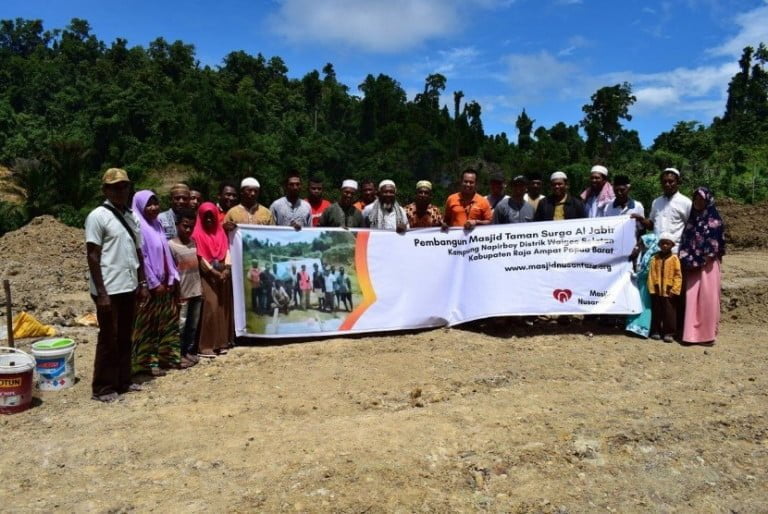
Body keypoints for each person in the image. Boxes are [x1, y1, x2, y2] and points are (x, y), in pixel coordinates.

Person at [85, 168, 149, 402]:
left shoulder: (131, 216)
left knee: (125, 336)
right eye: (114, 187)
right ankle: (103, 387)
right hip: (109, 288)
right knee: (108, 338)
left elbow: (138, 252)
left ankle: (123, 380)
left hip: (128, 286)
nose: (120, 191)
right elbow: (93, 255)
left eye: (124, 186)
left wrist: (142, 282)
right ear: (105, 190)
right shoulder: (98, 216)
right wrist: (101, 293)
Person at [130, 190, 181, 378]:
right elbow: (142, 258)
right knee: (148, 326)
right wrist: (152, 282)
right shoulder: (139, 227)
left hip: (165, 283)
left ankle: (167, 357)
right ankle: (146, 363)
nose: (153, 208)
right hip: (152, 286)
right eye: (148, 205)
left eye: (156, 203)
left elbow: (165, 252)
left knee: (167, 322)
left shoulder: (157, 224)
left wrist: (171, 277)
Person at [679, 187, 725, 345]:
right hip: (692, 266)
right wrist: (688, 259)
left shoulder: (714, 220)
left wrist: (699, 259)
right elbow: (685, 241)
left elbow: (714, 245)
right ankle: (690, 335)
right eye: (696, 199)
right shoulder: (692, 220)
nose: (698, 202)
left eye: (701, 199)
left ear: (708, 201)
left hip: (707, 266)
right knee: (692, 297)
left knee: (708, 298)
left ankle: (707, 336)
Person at [193, 202, 233, 357]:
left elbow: (227, 250)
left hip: (223, 274)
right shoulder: (196, 234)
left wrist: (227, 269)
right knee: (211, 306)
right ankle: (206, 345)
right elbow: (200, 257)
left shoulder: (221, 232)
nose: (209, 219)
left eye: (212, 216)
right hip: (208, 275)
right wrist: (214, 272)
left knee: (223, 307)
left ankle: (222, 342)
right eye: (206, 216)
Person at [169, 208, 203, 368]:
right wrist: (176, 293)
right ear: (177, 225)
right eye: (185, 226)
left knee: (192, 325)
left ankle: (187, 351)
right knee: (180, 326)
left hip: (196, 290)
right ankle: (176, 355)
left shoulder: (194, 243)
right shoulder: (171, 246)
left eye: (191, 226)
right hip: (182, 293)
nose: (188, 230)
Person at [636, 168, 692, 252]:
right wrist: (641, 220)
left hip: (675, 250)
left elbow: (691, 228)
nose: (667, 184)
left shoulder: (686, 202)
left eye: (671, 181)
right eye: (664, 182)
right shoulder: (656, 202)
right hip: (657, 250)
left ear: (678, 182)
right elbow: (651, 225)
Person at [648, 232, 682, 343]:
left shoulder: (674, 259)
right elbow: (651, 274)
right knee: (657, 311)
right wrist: (652, 288)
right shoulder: (655, 258)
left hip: (669, 290)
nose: (665, 246)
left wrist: (675, 289)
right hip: (657, 290)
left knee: (670, 313)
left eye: (667, 243)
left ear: (672, 245)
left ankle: (669, 333)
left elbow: (678, 275)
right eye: (662, 243)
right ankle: (656, 331)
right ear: (659, 245)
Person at [626, 233, 659, 338]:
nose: (642, 245)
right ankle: (632, 326)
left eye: (644, 243)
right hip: (639, 283)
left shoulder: (653, 256)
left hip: (646, 284)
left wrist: (637, 275)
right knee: (635, 303)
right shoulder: (644, 254)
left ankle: (642, 328)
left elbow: (647, 270)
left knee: (644, 305)